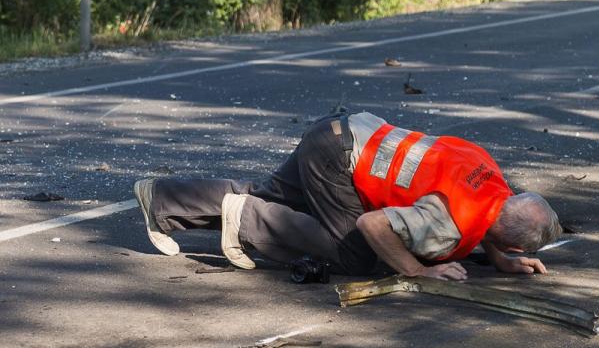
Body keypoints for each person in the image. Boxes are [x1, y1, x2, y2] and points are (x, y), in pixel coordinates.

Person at [132, 111, 562, 280]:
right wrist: (416, 270)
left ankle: (161, 198)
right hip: (340, 159)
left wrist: (499, 257)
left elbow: (491, 218)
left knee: (276, 197)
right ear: (506, 237)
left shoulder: (492, 182)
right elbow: (373, 224)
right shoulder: (447, 224)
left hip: (347, 131)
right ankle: (245, 218)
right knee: (358, 255)